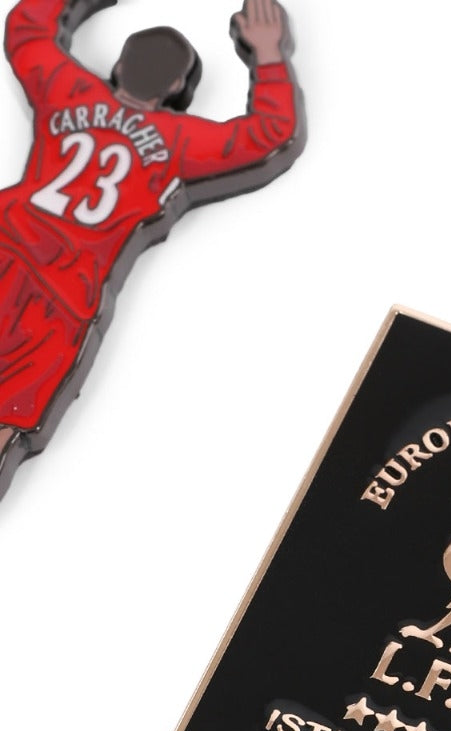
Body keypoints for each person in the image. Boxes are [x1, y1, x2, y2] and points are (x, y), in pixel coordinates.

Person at [0, 0, 304, 500]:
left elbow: (26, 29)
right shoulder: (177, 141)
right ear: (177, 88)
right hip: (64, 295)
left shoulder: (67, 90)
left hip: (8, 245)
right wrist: (269, 55)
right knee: (9, 414)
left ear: (119, 65)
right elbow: (270, 134)